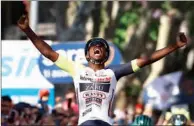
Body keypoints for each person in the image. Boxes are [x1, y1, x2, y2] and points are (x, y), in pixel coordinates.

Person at [17, 15, 188, 126]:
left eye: (101, 46)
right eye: (93, 46)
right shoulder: (77, 70)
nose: (97, 47)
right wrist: (27, 30)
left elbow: (147, 60)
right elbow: (48, 52)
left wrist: (175, 46)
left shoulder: (114, 72)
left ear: (106, 54)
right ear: (87, 54)